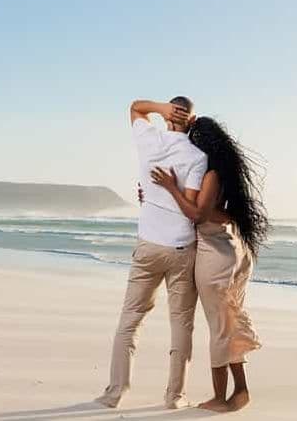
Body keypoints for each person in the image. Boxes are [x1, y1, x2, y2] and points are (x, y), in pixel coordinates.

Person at [95, 97, 208, 410]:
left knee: (130, 320)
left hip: (148, 245)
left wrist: (160, 109)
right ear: (193, 120)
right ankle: (175, 396)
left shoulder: (149, 139)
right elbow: (191, 206)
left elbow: (134, 107)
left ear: (169, 115)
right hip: (182, 247)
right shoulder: (198, 157)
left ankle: (114, 393)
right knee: (181, 324)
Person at [149, 116, 268, 412]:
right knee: (227, 321)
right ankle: (240, 390)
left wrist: (170, 188)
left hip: (216, 254)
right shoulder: (223, 171)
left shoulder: (212, 174)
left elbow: (198, 214)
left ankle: (222, 397)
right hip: (230, 248)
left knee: (219, 326)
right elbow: (213, 212)